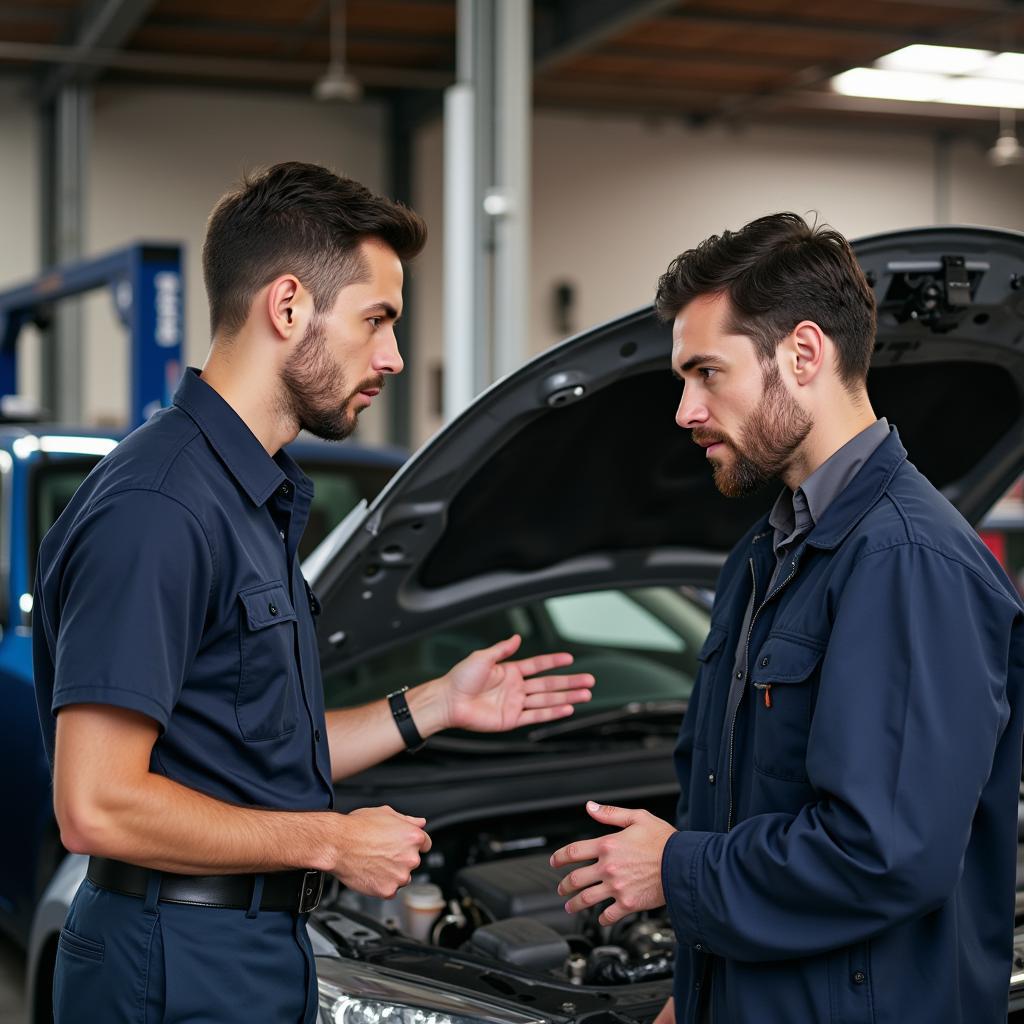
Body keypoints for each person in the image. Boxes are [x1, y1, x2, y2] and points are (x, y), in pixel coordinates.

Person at [33, 161, 595, 1024]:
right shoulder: (160, 509)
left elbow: (254, 757)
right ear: (288, 306)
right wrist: (331, 841)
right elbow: (97, 804)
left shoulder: (246, 497)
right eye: (376, 320)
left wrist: (434, 705)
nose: (394, 356)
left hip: (246, 955)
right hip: (172, 966)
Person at [551, 212, 1024, 1023]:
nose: (686, 411)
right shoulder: (763, 559)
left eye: (707, 373)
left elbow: (884, 855)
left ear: (803, 354)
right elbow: (748, 812)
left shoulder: (906, 563)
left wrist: (675, 870)